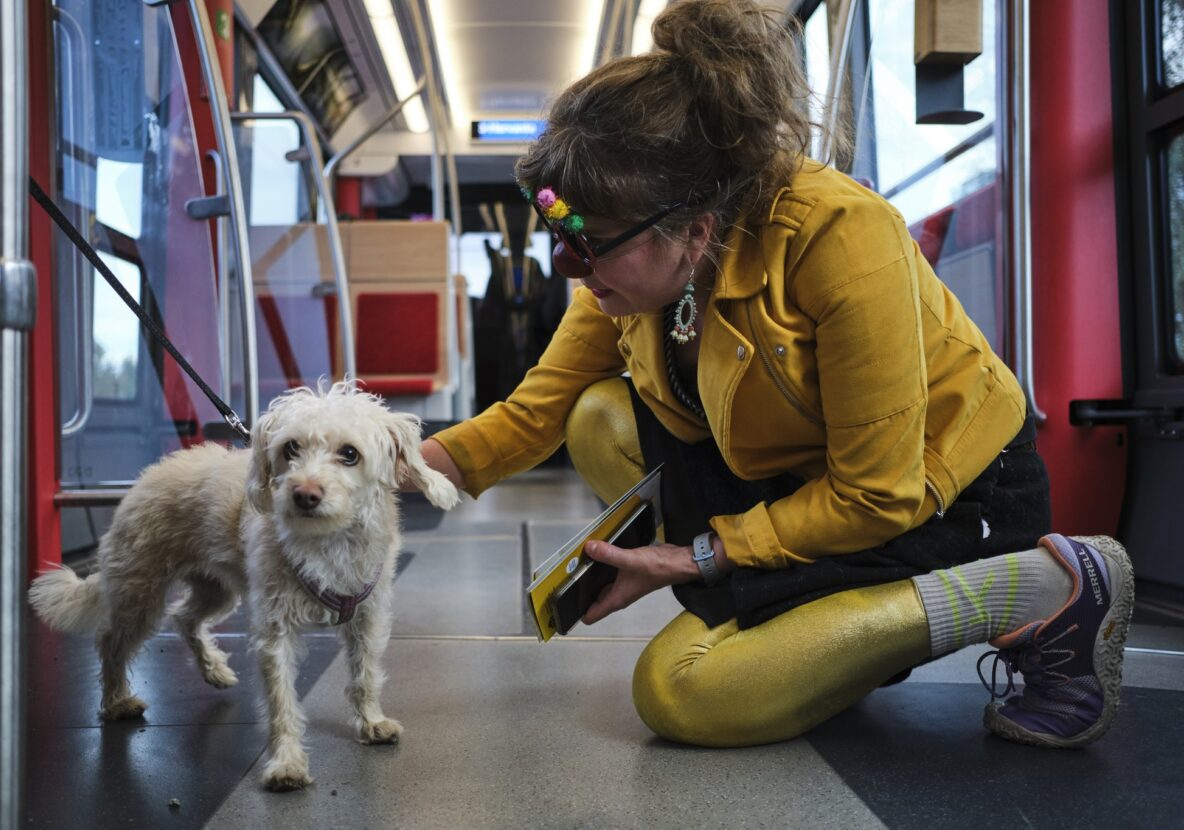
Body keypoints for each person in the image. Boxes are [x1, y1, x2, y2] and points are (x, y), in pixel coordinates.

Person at [413, 0, 1134, 749]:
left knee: (680, 691)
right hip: (795, 484)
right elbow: (535, 413)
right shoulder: (629, 273)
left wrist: (696, 555)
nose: (569, 265)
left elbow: (877, 494)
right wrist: (385, 465)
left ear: (693, 231)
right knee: (595, 417)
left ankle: (1032, 587)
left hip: (938, 498)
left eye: (587, 243)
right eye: (560, 234)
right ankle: (820, 642)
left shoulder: (840, 236)